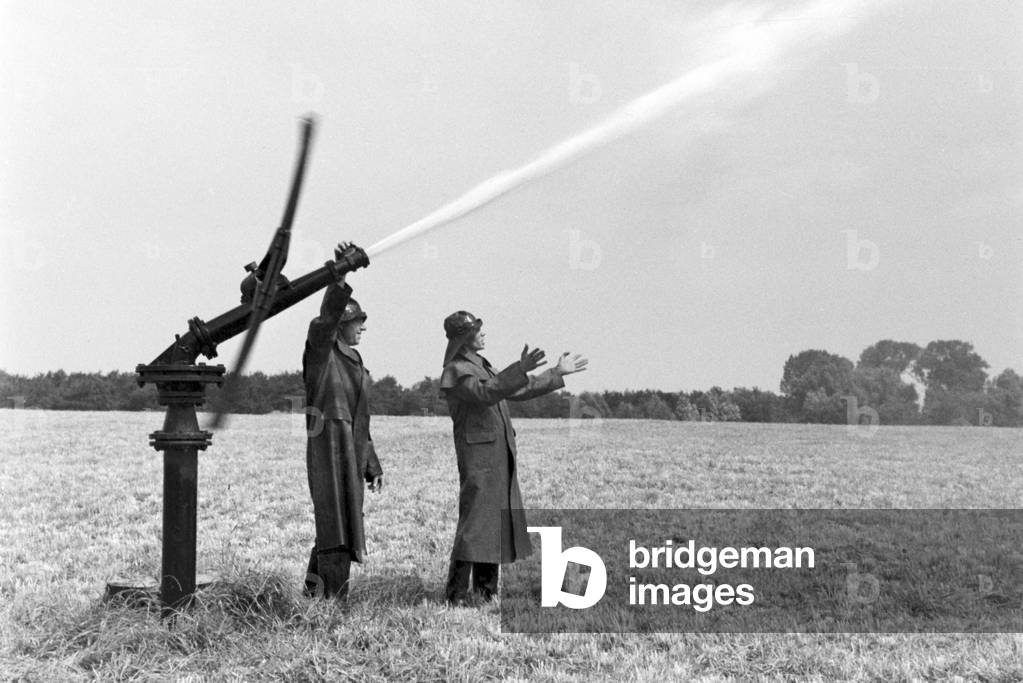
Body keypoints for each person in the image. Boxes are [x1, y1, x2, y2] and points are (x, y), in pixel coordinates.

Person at [439, 310, 588, 605]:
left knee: (491, 522)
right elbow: (486, 393)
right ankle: (454, 596)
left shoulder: (480, 365)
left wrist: (556, 373)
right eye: (477, 331)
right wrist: (518, 367)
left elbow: (518, 389)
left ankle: (485, 593)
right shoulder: (457, 369)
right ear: (464, 338)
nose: (483, 334)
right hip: (479, 458)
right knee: (474, 525)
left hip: (495, 456)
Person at [302, 242, 383, 599]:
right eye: (356, 322)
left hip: (350, 451)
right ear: (340, 326)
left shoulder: (356, 361)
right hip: (329, 447)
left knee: (340, 523)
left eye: (363, 321)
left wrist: (371, 463)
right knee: (335, 523)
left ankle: (312, 595)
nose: (362, 327)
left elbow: (361, 419)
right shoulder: (321, 352)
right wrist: (340, 274)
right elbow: (324, 321)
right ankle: (334, 604)